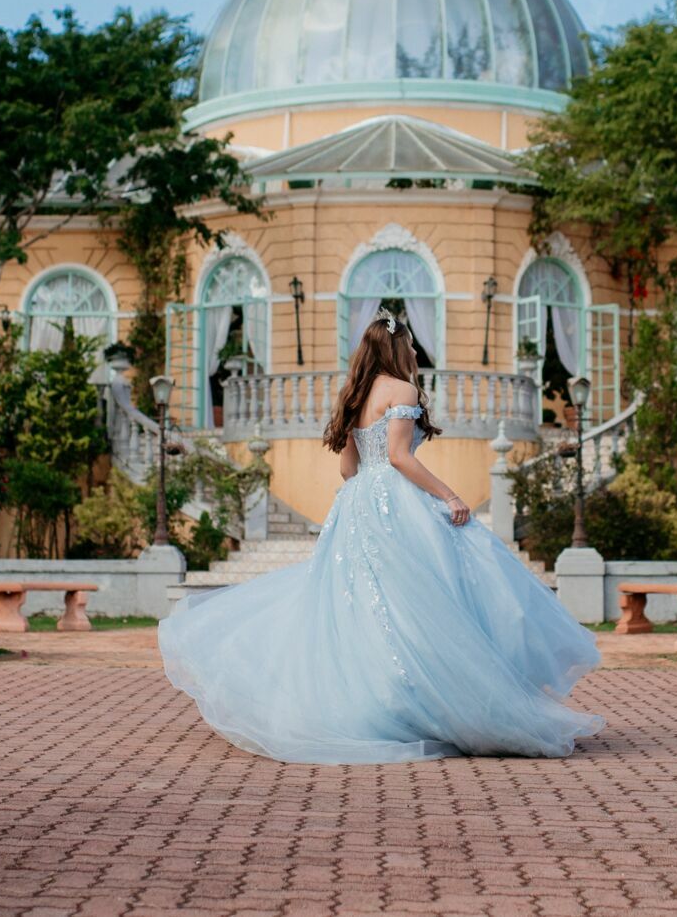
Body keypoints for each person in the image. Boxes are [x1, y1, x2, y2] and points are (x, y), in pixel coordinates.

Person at [158, 310, 604, 763]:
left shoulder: (354, 395)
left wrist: (363, 490)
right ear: (396, 348)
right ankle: (434, 699)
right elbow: (397, 456)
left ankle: (379, 699)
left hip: (355, 504)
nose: (415, 351)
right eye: (411, 345)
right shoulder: (403, 388)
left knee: (359, 606)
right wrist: (450, 496)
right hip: (395, 501)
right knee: (439, 590)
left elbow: (348, 468)